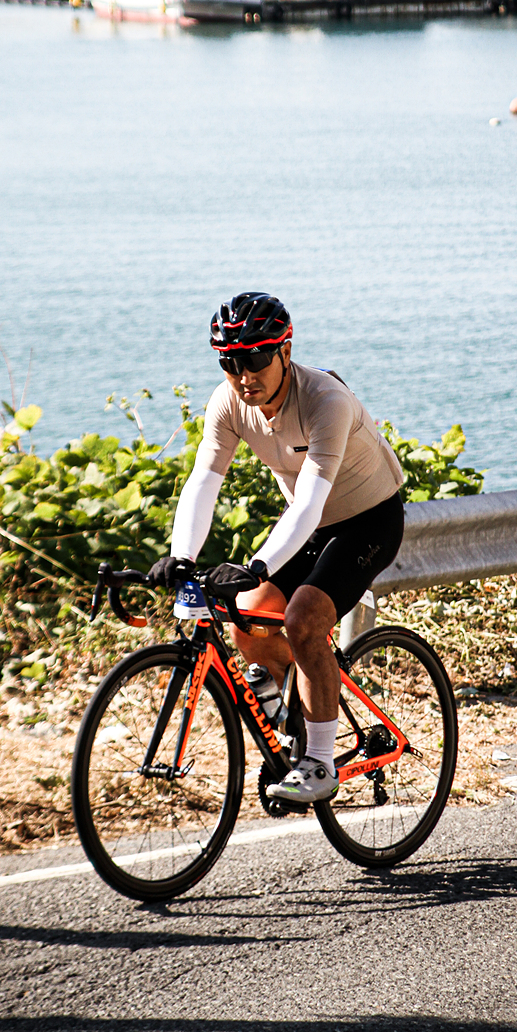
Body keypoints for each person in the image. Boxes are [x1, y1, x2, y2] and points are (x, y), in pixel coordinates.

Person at [148, 292, 405, 804]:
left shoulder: (325, 400)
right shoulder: (227, 405)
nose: (244, 375)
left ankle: (320, 763)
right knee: (247, 616)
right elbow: (204, 481)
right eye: (230, 363)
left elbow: (309, 501)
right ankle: (294, 713)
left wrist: (258, 565)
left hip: (369, 519)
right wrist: (181, 556)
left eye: (256, 359)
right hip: (311, 526)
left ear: (285, 351)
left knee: (304, 618)